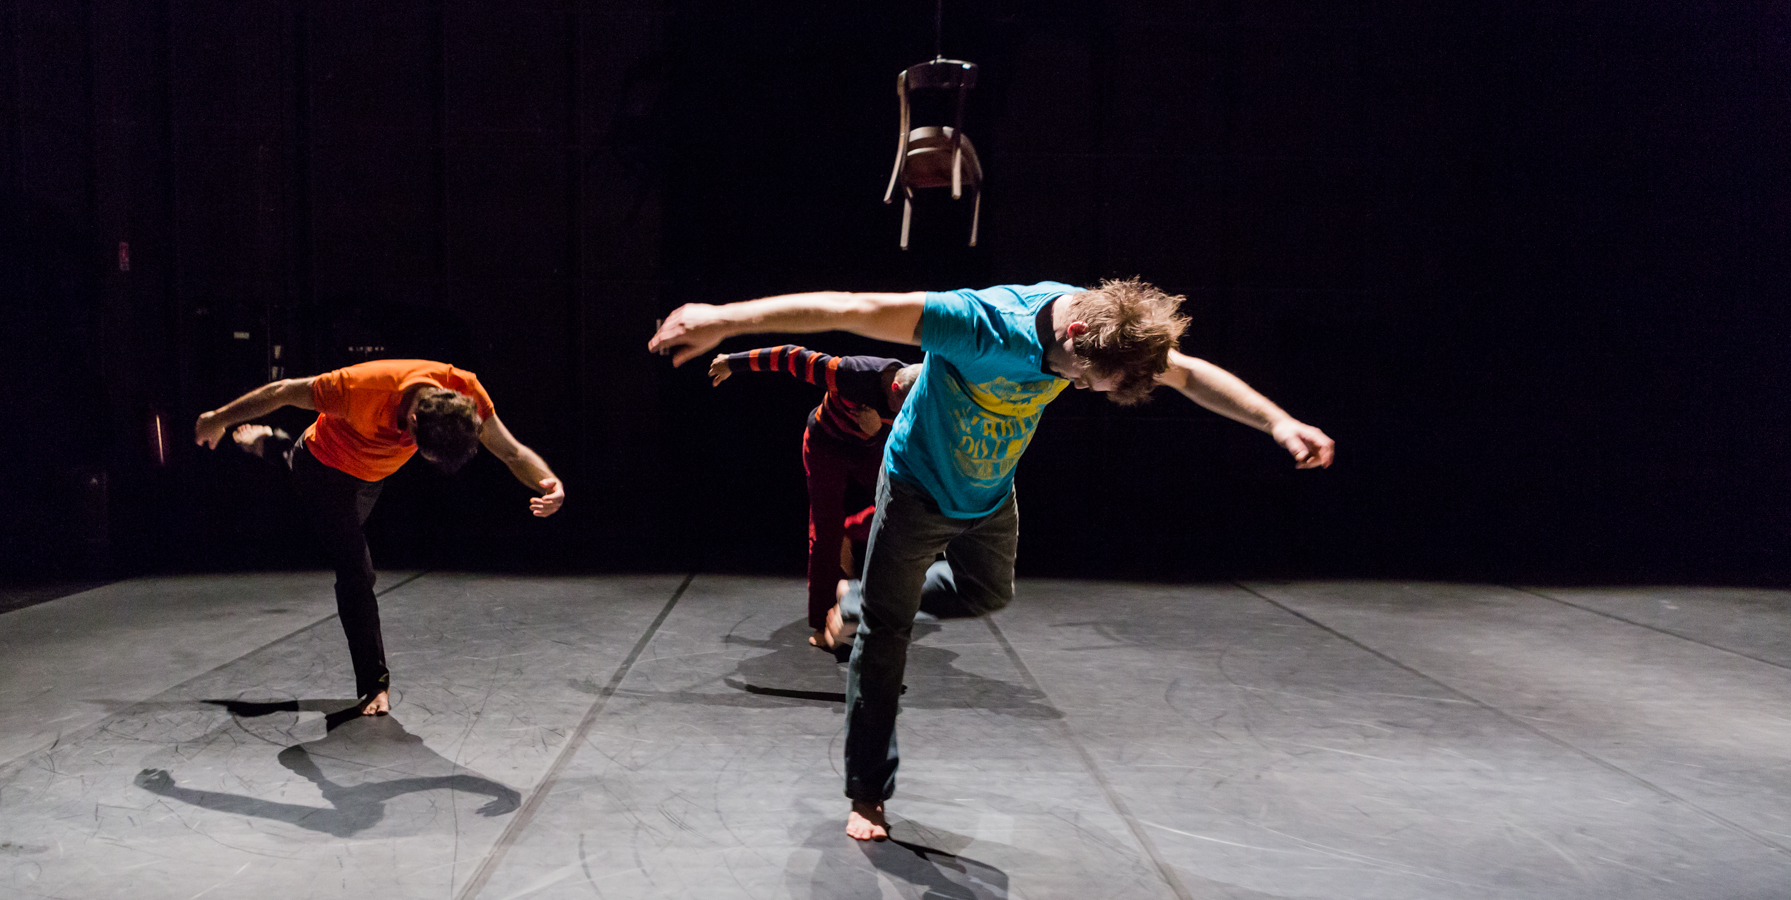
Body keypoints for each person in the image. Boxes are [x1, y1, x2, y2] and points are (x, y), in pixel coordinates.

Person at [651, 279, 1334, 842]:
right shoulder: (976, 324)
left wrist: (1275, 421)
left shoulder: (1101, 333)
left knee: (986, 595)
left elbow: (1185, 372)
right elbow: (849, 309)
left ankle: (858, 600)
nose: (1086, 390)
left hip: (989, 494)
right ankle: (867, 793)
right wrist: (723, 320)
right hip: (916, 491)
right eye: (1086, 380)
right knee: (886, 640)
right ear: (1071, 337)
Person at [195, 359, 565, 716]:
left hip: (371, 476)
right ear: (414, 419)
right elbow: (284, 390)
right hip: (324, 467)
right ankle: (375, 686)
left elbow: (513, 452)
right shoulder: (360, 387)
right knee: (355, 568)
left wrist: (550, 483)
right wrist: (217, 418)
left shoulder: (465, 391)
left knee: (313, 494)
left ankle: (275, 449)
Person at [707, 345, 921, 650]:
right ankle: (822, 626)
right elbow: (789, 357)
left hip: (869, 450)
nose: (903, 415)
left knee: (905, 506)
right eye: (900, 409)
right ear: (894, 387)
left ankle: (851, 530)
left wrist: (880, 429)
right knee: (824, 535)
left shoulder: (920, 392)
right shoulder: (850, 372)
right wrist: (733, 363)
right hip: (825, 445)